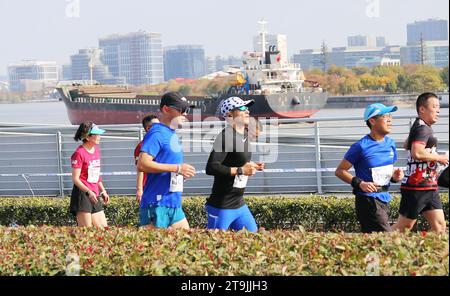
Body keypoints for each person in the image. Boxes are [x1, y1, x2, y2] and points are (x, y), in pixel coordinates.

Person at [335, 103, 403, 233]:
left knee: (375, 244)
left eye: (390, 116)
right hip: (368, 200)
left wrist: (395, 177)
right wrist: (360, 183)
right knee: (387, 240)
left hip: (384, 197)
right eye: (384, 116)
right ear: (372, 121)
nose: (389, 120)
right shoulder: (360, 146)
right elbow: (340, 171)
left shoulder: (390, 143)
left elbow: (388, 170)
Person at [137, 92, 196, 229]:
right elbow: (142, 164)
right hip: (157, 203)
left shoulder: (170, 133)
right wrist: (178, 169)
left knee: (188, 246)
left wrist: (181, 174)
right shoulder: (157, 133)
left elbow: (168, 164)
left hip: (173, 202)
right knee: (154, 250)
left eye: (187, 110)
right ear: (166, 109)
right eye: (181, 110)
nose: (185, 114)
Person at [205, 97, 264, 232]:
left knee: (253, 243)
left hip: (239, 204)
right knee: (212, 248)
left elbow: (236, 160)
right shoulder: (225, 137)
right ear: (230, 114)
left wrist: (252, 165)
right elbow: (211, 167)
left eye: (247, 107)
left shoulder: (244, 134)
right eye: (242, 108)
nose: (247, 111)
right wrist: (241, 170)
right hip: (222, 206)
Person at [393, 92, 449, 233]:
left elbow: (407, 145)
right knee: (403, 228)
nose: (438, 110)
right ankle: (372, 244)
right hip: (416, 187)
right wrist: (439, 158)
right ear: (422, 109)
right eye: (434, 107)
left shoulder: (419, 125)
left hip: (428, 186)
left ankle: (429, 253)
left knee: (440, 227)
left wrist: (431, 154)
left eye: (439, 107)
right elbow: (416, 152)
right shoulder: (422, 128)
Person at [70, 122, 110, 227]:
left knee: (103, 229)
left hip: (94, 193)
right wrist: (88, 192)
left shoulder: (96, 150)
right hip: (82, 194)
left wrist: (103, 191)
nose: (99, 137)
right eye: (97, 134)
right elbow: (75, 179)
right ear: (88, 137)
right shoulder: (79, 153)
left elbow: (96, 174)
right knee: (85, 232)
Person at [134, 114, 160, 205]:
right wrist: (139, 189)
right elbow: (140, 168)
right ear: (148, 128)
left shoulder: (159, 143)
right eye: (157, 126)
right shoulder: (141, 146)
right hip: (149, 188)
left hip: (161, 186)